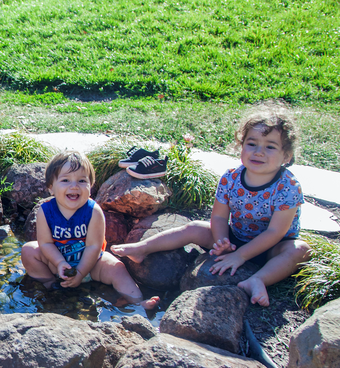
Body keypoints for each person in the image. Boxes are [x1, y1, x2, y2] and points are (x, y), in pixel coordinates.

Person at [111, 102, 311, 307]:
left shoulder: (288, 187)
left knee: (299, 250)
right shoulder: (231, 178)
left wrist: (240, 256)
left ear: (286, 156)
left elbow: (275, 233)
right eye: (252, 144)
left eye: (270, 146)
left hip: (272, 247)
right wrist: (222, 241)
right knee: (195, 228)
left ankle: (258, 279)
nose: (259, 152)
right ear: (241, 146)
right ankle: (142, 248)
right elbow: (219, 217)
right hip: (237, 237)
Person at [21, 150, 160, 310]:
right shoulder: (45, 212)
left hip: (93, 264)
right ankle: (50, 285)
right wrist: (59, 263)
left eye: (81, 180)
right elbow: (45, 244)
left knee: (118, 269)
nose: (74, 186)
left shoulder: (93, 211)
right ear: (51, 188)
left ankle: (136, 301)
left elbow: (94, 246)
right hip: (58, 263)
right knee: (29, 250)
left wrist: (80, 272)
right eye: (65, 180)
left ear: (91, 186)